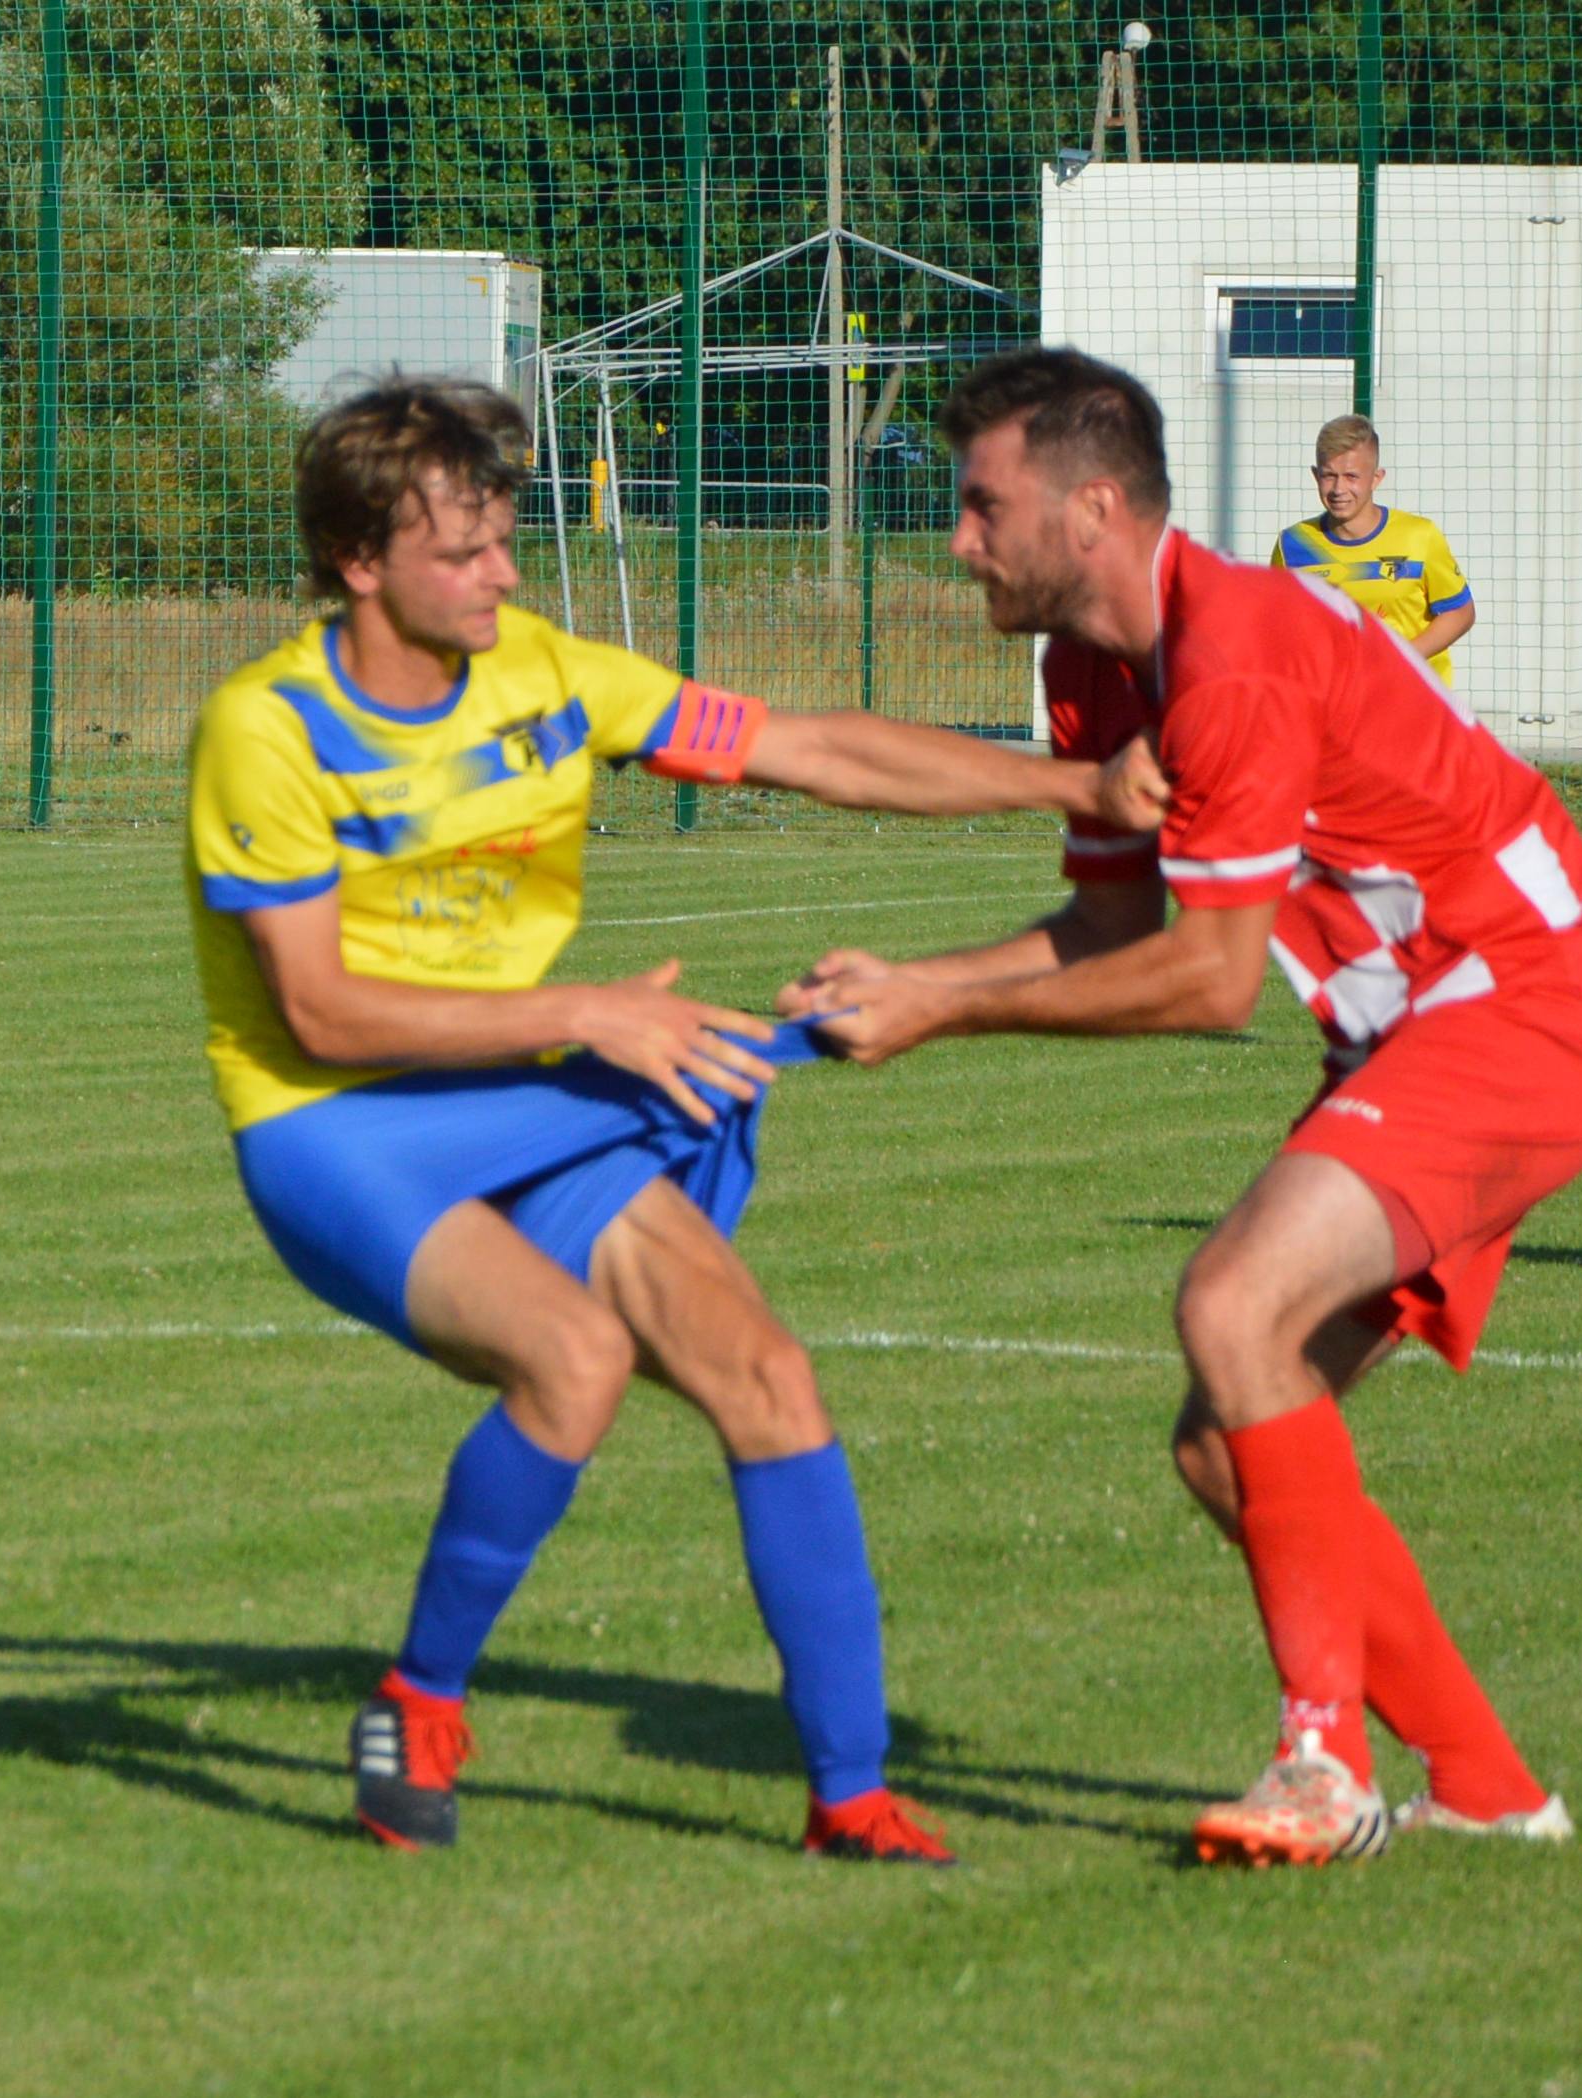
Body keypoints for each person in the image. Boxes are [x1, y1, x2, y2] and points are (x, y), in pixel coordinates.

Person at [185, 376, 1123, 1861]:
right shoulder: (268, 727)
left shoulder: (549, 673)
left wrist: (1077, 783)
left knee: (765, 1371)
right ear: (359, 565)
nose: (504, 575)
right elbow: (322, 1014)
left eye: (505, 540)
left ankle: (851, 1799)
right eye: (466, 551)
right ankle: (420, 1702)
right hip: (332, 1123)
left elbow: (817, 748)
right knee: (574, 1354)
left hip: (520, 1097)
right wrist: (593, 1014)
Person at [784, 348, 1582, 1866]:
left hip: (1518, 1003)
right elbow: (1117, 932)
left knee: (1232, 1302)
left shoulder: (1233, 653)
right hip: (1420, 1030)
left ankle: (1323, 1763)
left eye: (985, 508)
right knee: (1220, 1441)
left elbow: (1207, 981)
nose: (959, 540)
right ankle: (1490, 1785)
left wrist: (936, 1010)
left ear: (1093, 509)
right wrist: (915, 982)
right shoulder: (1091, 667)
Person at [1270, 413, 1474, 684]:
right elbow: (1281, 629)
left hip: (1413, 704)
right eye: (1329, 476)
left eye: (1351, 476)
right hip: (1336, 709)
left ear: (1376, 478)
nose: (1338, 489)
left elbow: (1460, 612)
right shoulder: (1292, 545)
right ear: (1315, 475)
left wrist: (1401, 659)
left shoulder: (1419, 536)